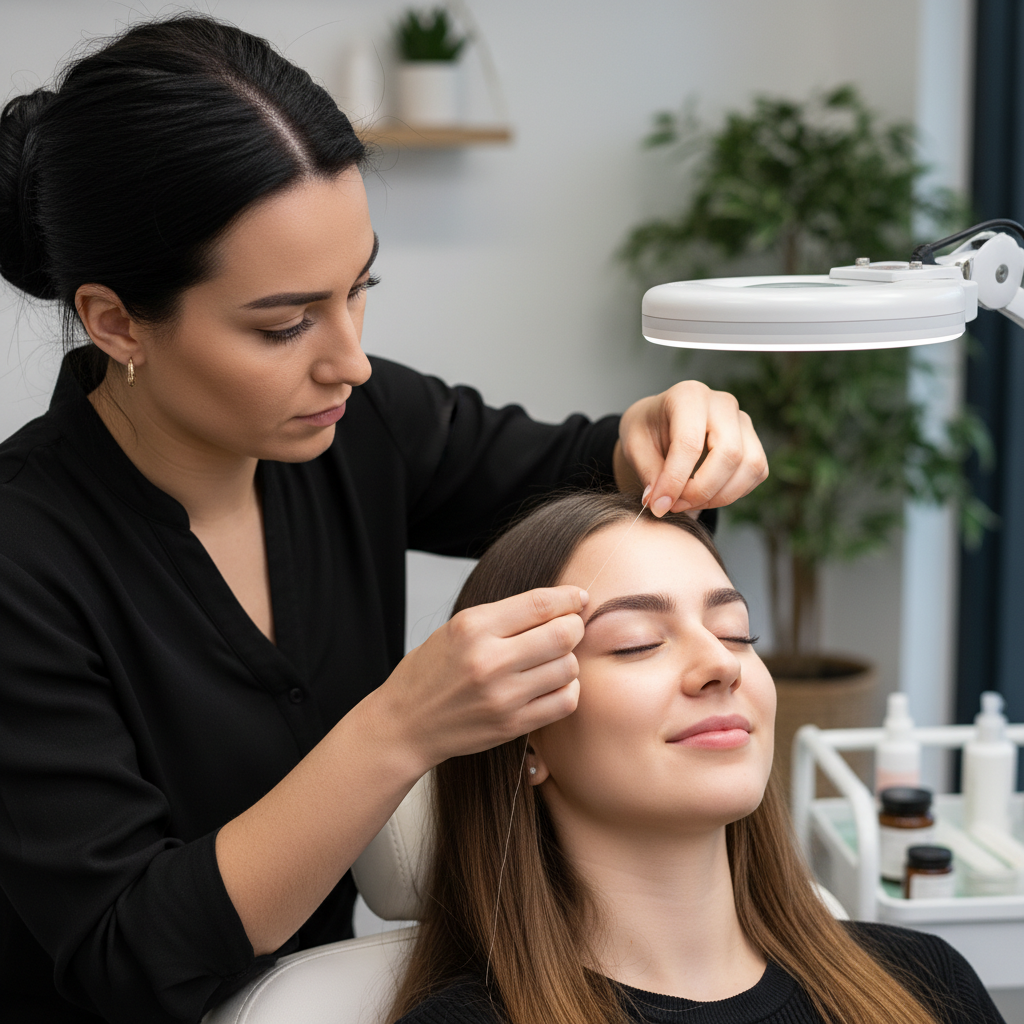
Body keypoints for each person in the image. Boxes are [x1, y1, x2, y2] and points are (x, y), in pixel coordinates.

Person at [0, 14, 769, 1024]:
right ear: (114, 321)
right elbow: (128, 956)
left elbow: (579, 473)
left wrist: (659, 435)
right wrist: (404, 724)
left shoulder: (358, 426)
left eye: (359, 289)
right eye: (283, 324)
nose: (348, 359)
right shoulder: (27, 559)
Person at [389, 490, 1004, 1024]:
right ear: (524, 735)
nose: (720, 663)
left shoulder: (925, 984)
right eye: (638, 644)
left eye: (736, 632)